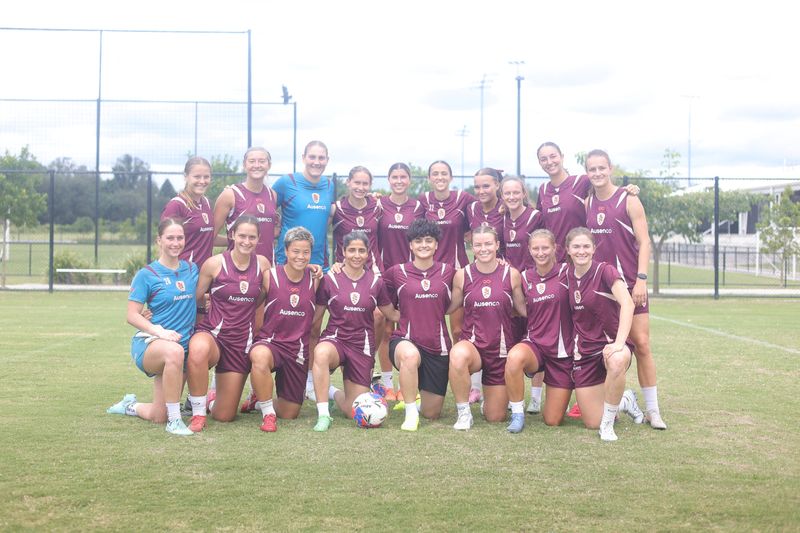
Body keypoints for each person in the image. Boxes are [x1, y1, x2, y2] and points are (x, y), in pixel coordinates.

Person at [584, 149, 666, 429]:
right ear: (587, 172)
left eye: (601, 168)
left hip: (631, 285)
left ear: (611, 168)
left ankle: (653, 410)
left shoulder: (629, 199)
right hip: (602, 290)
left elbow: (644, 242)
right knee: (601, 349)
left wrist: (641, 279)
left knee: (642, 344)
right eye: (592, 169)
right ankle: (617, 401)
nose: (597, 173)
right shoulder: (587, 202)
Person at [107, 218, 199, 436]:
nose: (175, 243)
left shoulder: (192, 269)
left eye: (180, 238)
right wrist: (160, 331)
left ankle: (130, 405)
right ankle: (175, 422)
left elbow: (199, 297)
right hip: (151, 345)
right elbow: (131, 315)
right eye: (170, 238)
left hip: (179, 349)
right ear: (159, 240)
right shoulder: (147, 274)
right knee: (174, 351)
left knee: (158, 415)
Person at [184, 215, 270, 431]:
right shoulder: (214, 264)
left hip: (240, 342)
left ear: (259, 239)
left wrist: (314, 272)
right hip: (213, 334)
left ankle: (212, 399)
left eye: (252, 237)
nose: (246, 241)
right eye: (242, 235)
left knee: (224, 416)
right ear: (232, 235)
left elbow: (267, 294)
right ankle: (197, 413)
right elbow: (194, 297)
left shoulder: (263, 264)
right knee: (198, 348)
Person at [310, 230, 399, 431]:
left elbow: (391, 314)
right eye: (351, 250)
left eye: (361, 250)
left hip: (361, 345)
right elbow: (316, 317)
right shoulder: (330, 279)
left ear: (368, 253)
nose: (356, 255)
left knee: (353, 409)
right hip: (336, 339)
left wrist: (425, 312)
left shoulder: (376, 282)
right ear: (343, 251)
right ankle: (323, 415)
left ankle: (332, 393)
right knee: (322, 353)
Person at [565, 227, 643, 441]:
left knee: (617, 361)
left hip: (611, 344)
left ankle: (607, 426)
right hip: (584, 351)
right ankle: (626, 401)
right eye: (576, 247)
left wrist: (619, 343)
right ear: (568, 250)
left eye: (586, 246)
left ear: (593, 248)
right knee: (591, 422)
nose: (582, 251)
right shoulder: (564, 274)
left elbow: (627, 303)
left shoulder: (605, 271)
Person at [272, 140, 337, 400]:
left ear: (327, 160)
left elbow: (330, 217)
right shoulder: (286, 182)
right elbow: (265, 208)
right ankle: (260, 383)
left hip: (317, 266)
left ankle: (309, 380)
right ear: (303, 157)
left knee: (312, 326)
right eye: (312, 157)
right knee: (276, 324)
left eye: (321, 157)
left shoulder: (330, 186)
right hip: (286, 265)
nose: (317, 162)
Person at [447, 224, 526, 430]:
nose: (483, 249)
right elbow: (450, 306)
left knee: (495, 417)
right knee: (457, 355)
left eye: (488, 244)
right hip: (473, 346)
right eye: (478, 244)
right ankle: (464, 413)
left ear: (497, 244)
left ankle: (489, 403)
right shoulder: (462, 275)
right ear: (471, 246)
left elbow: (523, 310)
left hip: (501, 351)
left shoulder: (512, 274)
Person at [382, 219, 456, 431]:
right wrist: (399, 316)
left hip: (438, 346)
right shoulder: (396, 272)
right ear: (410, 245)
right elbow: (380, 299)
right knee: (410, 356)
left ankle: (416, 400)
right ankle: (410, 413)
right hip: (405, 340)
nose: (423, 245)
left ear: (436, 245)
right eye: (418, 241)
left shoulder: (449, 272)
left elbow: (463, 294)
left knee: (432, 413)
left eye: (428, 240)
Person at [247, 227, 319, 432]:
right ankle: (268, 414)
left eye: (306, 252)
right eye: (296, 251)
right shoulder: (269, 276)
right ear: (286, 251)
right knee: (259, 356)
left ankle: (259, 399)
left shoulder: (316, 278)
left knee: (290, 413)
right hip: (271, 344)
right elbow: (248, 304)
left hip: (297, 350)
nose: (300, 256)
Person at [504, 229, 574, 433]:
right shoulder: (524, 277)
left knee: (552, 420)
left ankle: (622, 399)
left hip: (562, 352)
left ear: (555, 248)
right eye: (536, 248)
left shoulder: (567, 272)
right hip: (535, 345)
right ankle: (517, 414)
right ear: (529, 250)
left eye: (545, 248)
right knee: (515, 357)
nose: (541, 252)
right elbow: (518, 308)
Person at [375, 162, 425, 401]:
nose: (398, 181)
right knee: (385, 329)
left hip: (410, 276)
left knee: (411, 328)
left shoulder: (418, 206)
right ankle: (386, 384)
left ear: (409, 180)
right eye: (394, 176)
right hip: (386, 275)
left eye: (403, 177)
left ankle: (410, 386)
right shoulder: (379, 204)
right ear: (388, 179)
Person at [501, 175, 546, 414]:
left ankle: (536, 398)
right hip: (511, 287)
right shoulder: (504, 219)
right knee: (512, 338)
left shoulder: (535, 216)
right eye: (507, 193)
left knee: (536, 336)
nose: (511, 197)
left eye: (515, 192)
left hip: (532, 284)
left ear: (523, 193)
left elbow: (540, 248)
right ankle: (513, 395)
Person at [464, 167, 506, 403]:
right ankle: (475, 386)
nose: (481, 191)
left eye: (486, 186)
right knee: (474, 328)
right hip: (478, 274)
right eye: (477, 186)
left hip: (504, 276)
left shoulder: (507, 206)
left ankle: (513, 388)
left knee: (505, 331)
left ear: (497, 185)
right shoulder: (470, 208)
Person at [213, 147, 278, 264]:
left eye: (262, 161)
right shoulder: (230, 194)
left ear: (269, 165)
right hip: (238, 269)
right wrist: (238, 241)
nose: (257, 165)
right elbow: (209, 237)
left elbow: (269, 233)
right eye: (252, 161)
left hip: (266, 268)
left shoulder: (272, 194)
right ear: (244, 164)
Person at [161, 157, 215, 267]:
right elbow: (163, 243)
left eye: (206, 177)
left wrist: (235, 239)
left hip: (204, 274)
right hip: (184, 274)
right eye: (197, 177)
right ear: (186, 177)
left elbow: (207, 236)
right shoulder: (177, 205)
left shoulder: (207, 203)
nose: (202, 181)